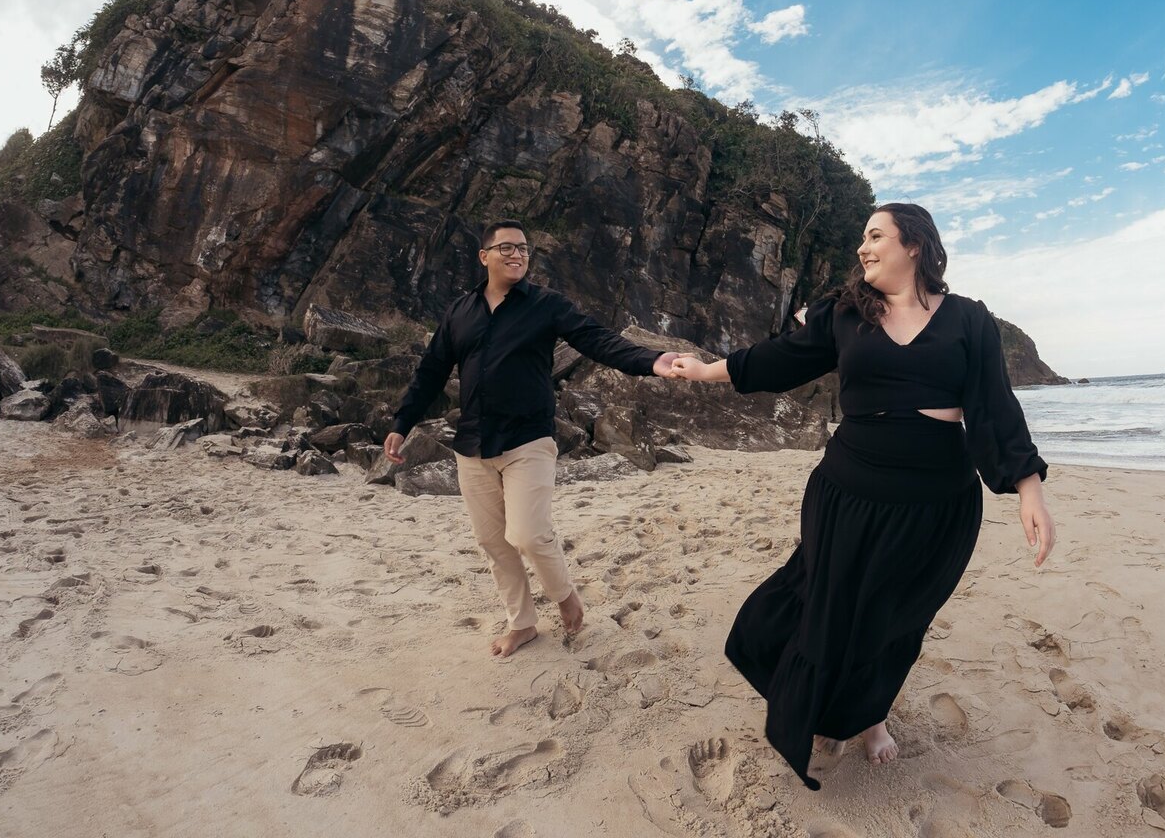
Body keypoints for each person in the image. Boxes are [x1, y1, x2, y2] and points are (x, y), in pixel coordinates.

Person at [667, 202, 1055, 789]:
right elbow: (777, 360)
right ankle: (847, 714)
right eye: (862, 239)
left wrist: (1029, 488)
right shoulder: (845, 315)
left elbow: (996, 406)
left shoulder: (970, 320)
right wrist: (702, 371)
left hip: (936, 505)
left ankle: (870, 713)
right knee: (833, 605)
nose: (863, 248)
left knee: (895, 618)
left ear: (915, 245)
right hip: (848, 492)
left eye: (876, 236)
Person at [385, 220, 681, 657]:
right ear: (484, 256)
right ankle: (522, 623)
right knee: (492, 541)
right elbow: (431, 372)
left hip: (528, 439)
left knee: (527, 534)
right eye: (505, 247)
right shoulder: (459, 312)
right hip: (472, 443)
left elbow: (599, 341)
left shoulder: (547, 306)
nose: (516, 254)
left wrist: (652, 360)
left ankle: (566, 599)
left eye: (523, 248)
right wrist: (401, 422)